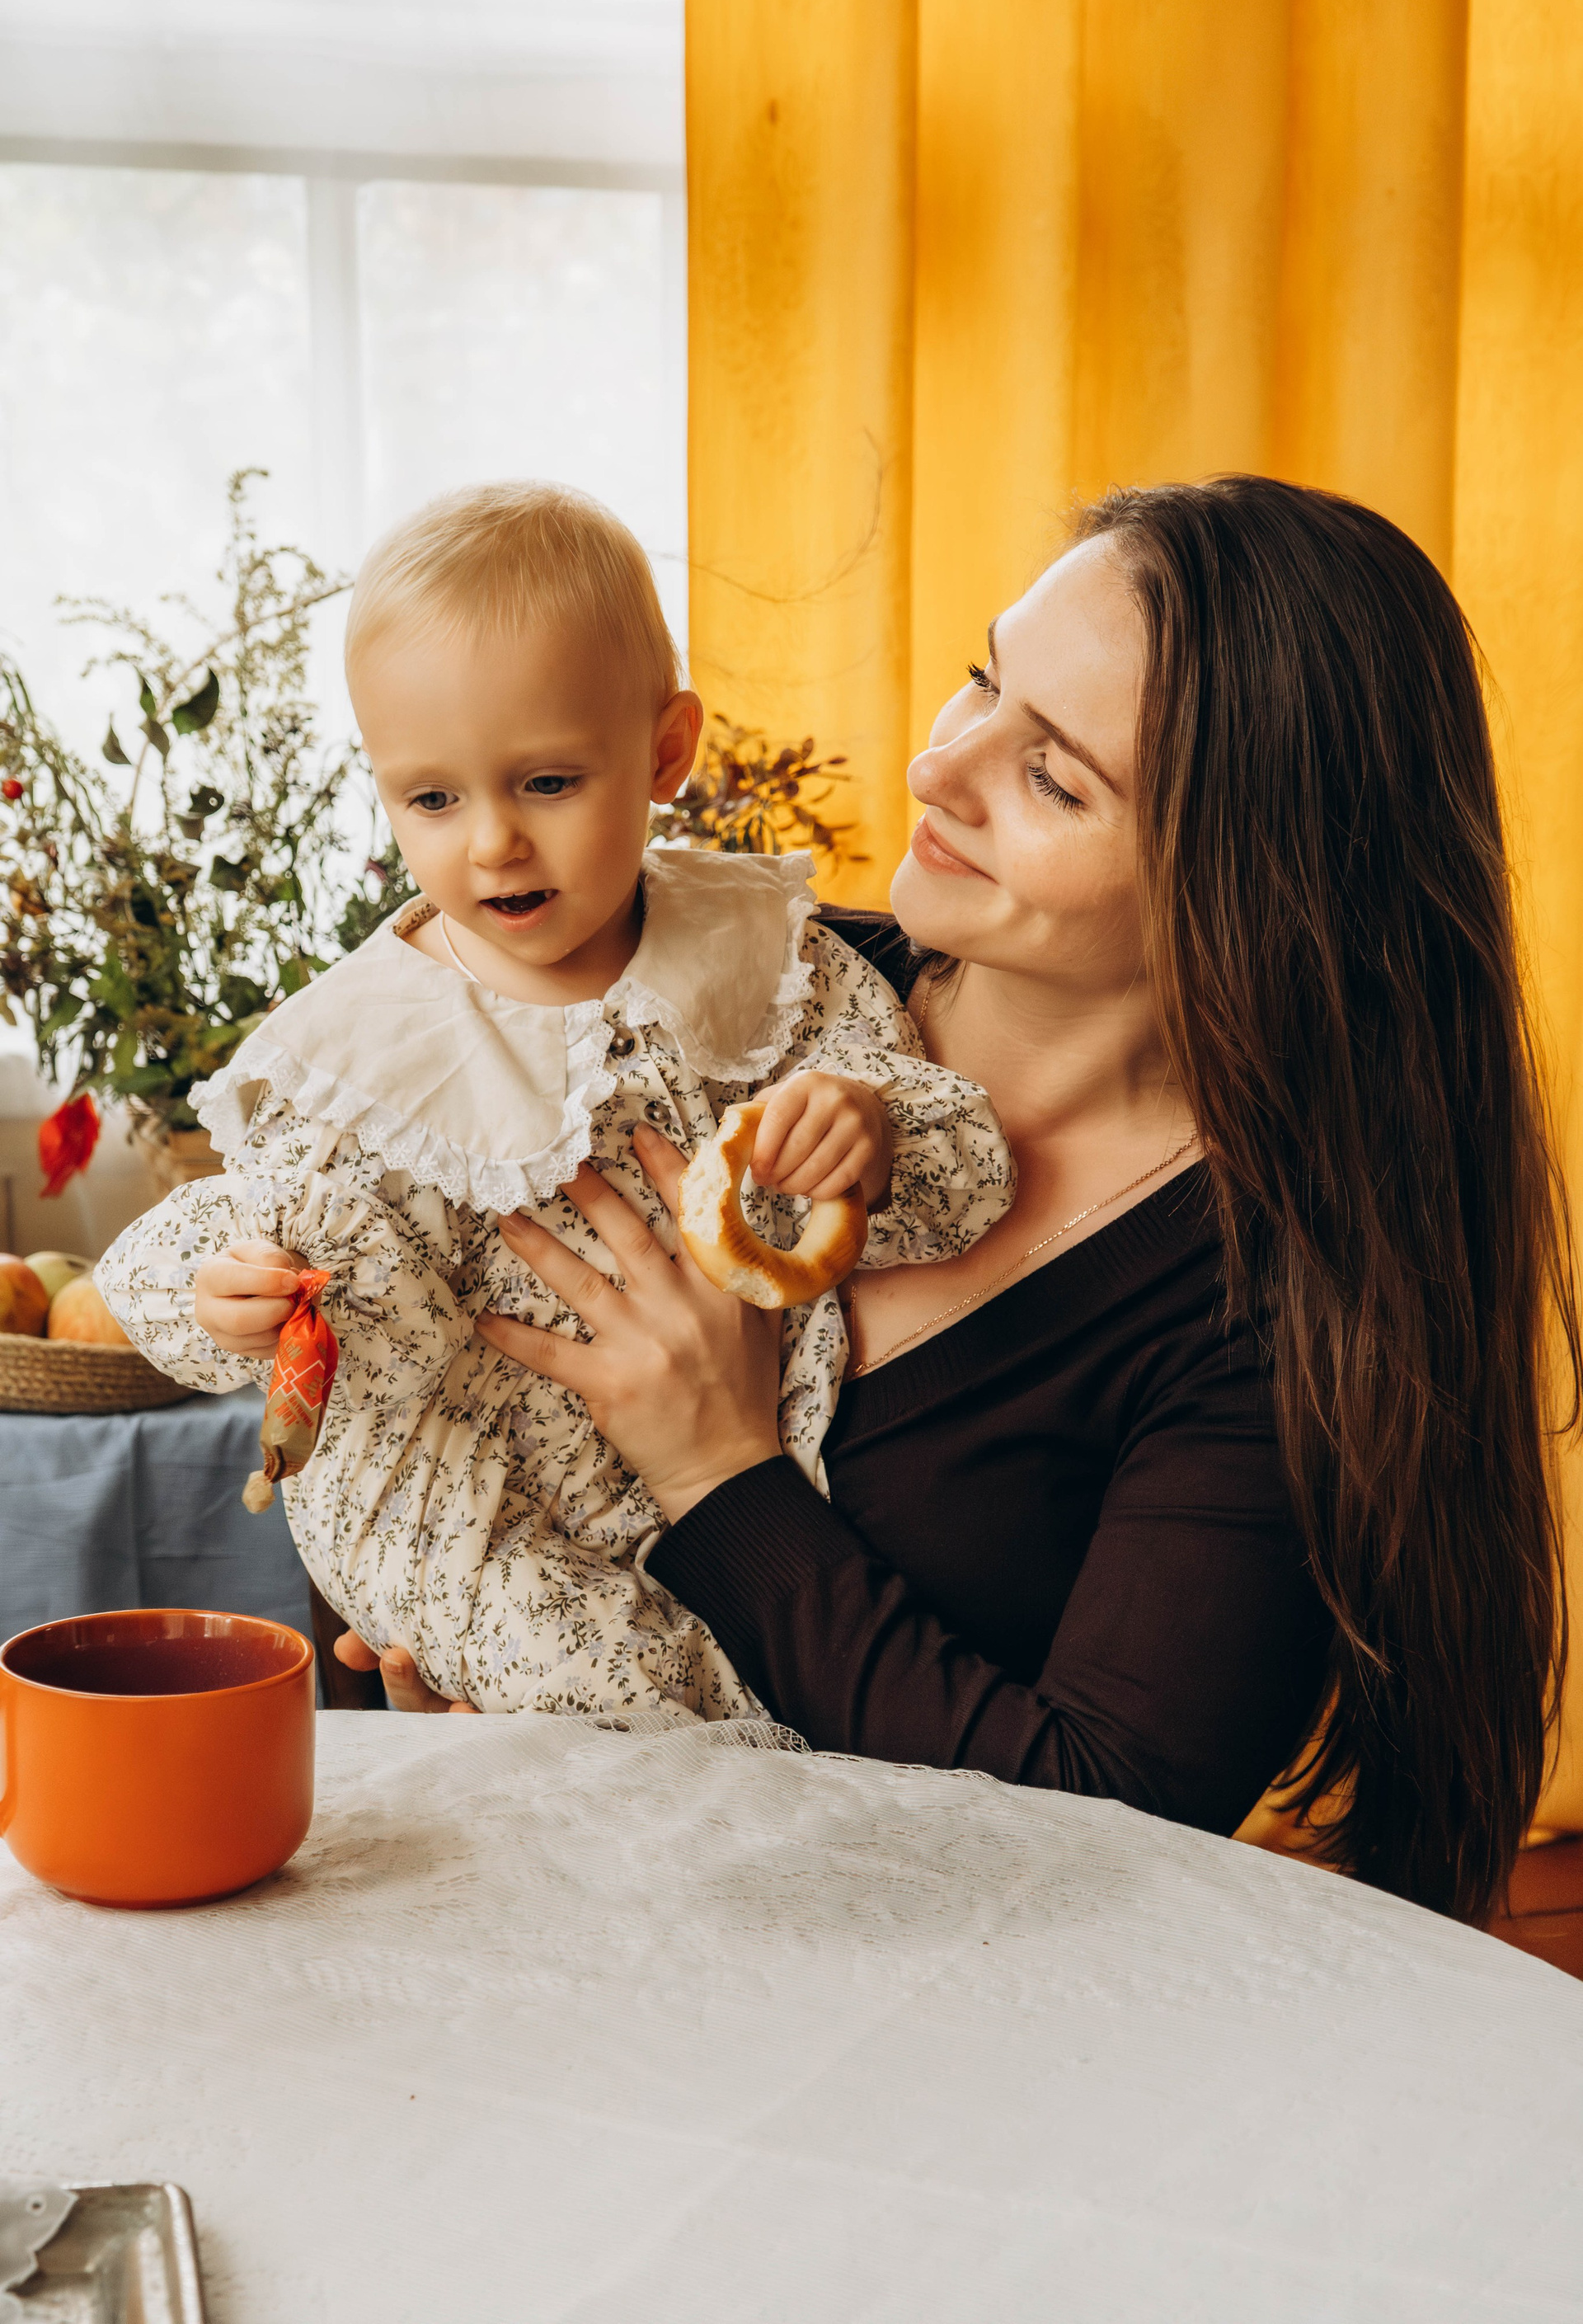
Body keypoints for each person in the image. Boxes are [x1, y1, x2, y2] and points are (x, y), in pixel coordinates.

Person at [376, 474, 1574, 1928]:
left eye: (1055, 778)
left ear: (1250, 884)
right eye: (983, 681)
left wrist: (719, 1479)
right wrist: (449, 1656)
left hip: (910, 2012)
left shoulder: (1267, 1308)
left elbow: (1108, 1822)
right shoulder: (716, 986)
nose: (941, 767)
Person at [95, 482, 1013, 1718]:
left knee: (764, 1686)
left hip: (735, 1458)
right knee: (618, 1698)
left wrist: (872, 1130)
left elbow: (967, 1169)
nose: (491, 844)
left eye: (545, 783)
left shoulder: (768, 961)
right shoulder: (364, 1042)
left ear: (666, 753)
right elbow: (185, 1251)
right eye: (432, 799)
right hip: (463, 1500)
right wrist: (227, 1293)